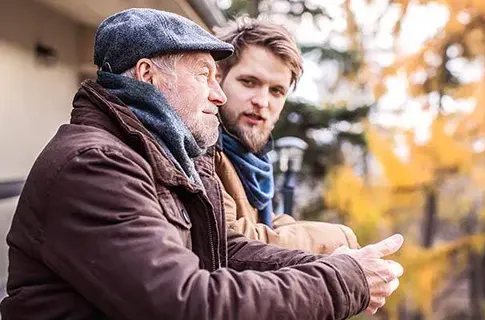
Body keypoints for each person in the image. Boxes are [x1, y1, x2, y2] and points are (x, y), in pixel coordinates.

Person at [0, 8, 404, 319]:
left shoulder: (166, 155)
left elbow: (224, 248)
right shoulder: (94, 166)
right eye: (205, 75)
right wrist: (341, 282)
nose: (219, 95)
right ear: (148, 76)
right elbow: (189, 304)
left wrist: (335, 265)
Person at [213, 17, 360, 254]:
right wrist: (339, 237)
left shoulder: (254, 164)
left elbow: (264, 226)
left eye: (276, 91)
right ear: (217, 76)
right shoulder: (203, 148)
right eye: (249, 82)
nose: (262, 102)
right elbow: (228, 241)